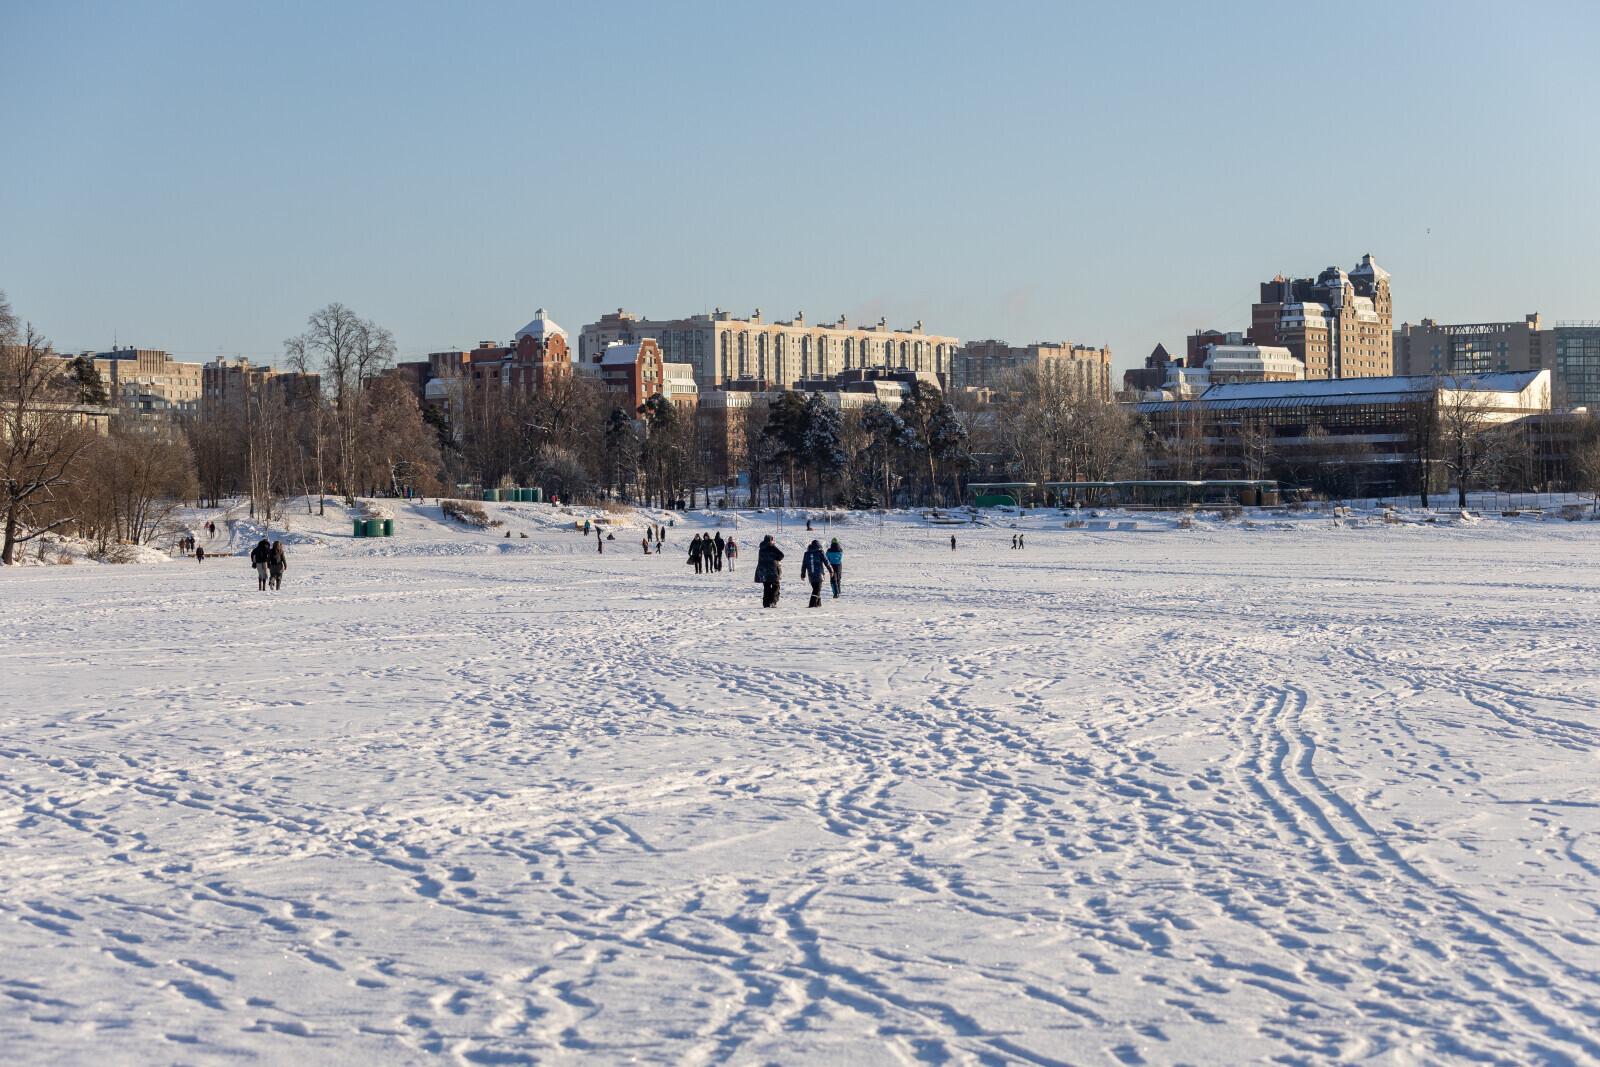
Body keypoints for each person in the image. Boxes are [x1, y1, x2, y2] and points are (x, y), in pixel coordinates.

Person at [754, 535, 784, 608]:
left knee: (766, 586)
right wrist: (776, 559)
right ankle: (773, 601)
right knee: (776, 585)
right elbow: (781, 555)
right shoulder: (772, 547)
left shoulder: (761, 548)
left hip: (763, 570)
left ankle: (766, 603)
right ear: (771, 540)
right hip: (772, 570)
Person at [801, 539, 832, 608]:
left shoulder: (806, 554)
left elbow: (804, 565)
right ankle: (812, 604)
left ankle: (818, 604)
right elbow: (826, 562)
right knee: (816, 590)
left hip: (811, 575)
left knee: (816, 589)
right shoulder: (820, 552)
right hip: (819, 574)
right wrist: (831, 571)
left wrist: (803, 574)